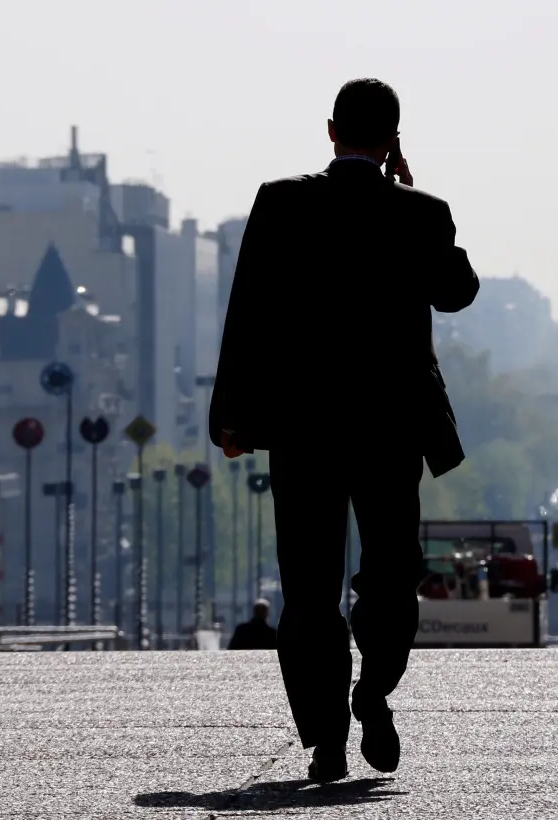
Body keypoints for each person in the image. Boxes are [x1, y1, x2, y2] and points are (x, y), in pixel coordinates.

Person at [208, 78, 479, 784]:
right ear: (393, 138)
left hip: (304, 428)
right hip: (390, 429)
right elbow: (456, 292)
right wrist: (416, 201)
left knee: (308, 589)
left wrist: (231, 416)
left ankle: (325, 738)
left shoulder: (281, 202)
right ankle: (374, 690)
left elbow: (247, 312)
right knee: (391, 577)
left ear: (330, 131)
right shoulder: (421, 213)